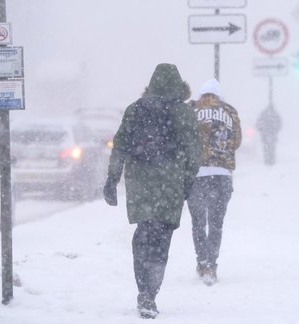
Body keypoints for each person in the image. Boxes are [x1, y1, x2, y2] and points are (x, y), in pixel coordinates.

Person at [102, 63, 200, 319]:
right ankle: (151, 293)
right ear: (178, 86)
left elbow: (119, 146)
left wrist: (112, 179)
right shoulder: (183, 112)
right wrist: (188, 182)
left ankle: (142, 289)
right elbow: (193, 151)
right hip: (170, 183)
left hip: (140, 182)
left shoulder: (134, 110)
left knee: (144, 233)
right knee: (161, 238)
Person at [187, 79, 241, 286]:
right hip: (221, 174)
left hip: (196, 175)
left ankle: (201, 263)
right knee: (216, 224)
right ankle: (212, 265)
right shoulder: (230, 111)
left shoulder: (191, 110)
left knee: (198, 223)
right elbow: (236, 141)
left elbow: (184, 138)